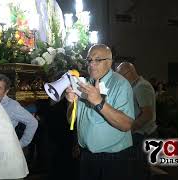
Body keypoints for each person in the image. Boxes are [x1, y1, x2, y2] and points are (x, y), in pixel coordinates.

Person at [65, 44, 135, 180]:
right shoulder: (84, 83)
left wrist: (99, 102)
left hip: (113, 159)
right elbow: (71, 120)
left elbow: (126, 125)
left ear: (109, 62)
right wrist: (71, 102)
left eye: (98, 60)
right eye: (89, 60)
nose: (92, 64)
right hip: (87, 157)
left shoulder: (120, 84)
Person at [116, 62, 157, 179]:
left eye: (120, 75)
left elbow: (147, 114)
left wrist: (130, 129)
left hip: (142, 135)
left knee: (139, 171)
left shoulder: (141, 87)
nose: (120, 79)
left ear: (128, 72)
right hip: (139, 134)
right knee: (135, 169)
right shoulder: (135, 86)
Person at [0, 74, 38, 148]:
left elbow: (33, 122)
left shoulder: (12, 106)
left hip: (4, 149)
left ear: (6, 91)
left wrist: (20, 144)